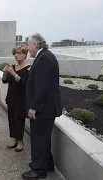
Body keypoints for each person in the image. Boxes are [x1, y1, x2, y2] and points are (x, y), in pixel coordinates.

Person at [21, 33, 62, 180]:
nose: (27, 48)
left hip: (43, 109)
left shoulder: (43, 58)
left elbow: (42, 87)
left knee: (39, 139)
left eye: (28, 44)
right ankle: (48, 165)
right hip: (47, 108)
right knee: (43, 138)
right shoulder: (45, 56)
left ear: (36, 44)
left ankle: (39, 171)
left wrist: (34, 107)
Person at [2, 44, 31, 152]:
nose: (16, 55)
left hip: (21, 99)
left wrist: (13, 73)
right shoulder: (12, 67)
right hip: (11, 97)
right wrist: (5, 73)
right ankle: (14, 140)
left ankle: (20, 141)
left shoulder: (28, 69)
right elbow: (5, 81)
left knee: (19, 120)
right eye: (15, 53)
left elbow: (25, 84)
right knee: (11, 120)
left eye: (19, 53)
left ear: (25, 54)